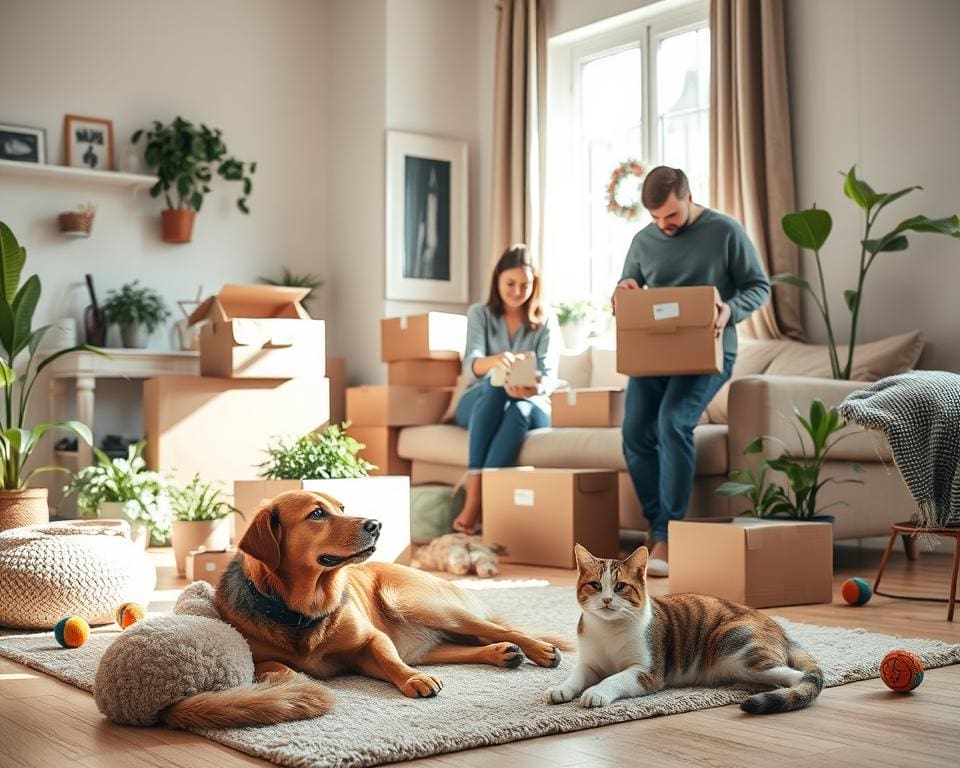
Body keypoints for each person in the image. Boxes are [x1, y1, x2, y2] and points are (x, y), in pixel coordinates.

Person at [613, 166, 771, 577]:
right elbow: (627, 288)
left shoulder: (725, 231)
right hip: (655, 355)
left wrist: (728, 309)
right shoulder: (643, 240)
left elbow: (759, 286)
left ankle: (666, 535)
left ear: (688, 197)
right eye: (656, 219)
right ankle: (656, 527)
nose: (664, 226)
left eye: (672, 216)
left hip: (709, 354)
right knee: (633, 432)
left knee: (672, 422)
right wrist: (623, 291)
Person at [451, 244, 560, 534]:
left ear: (535, 285)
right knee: (494, 385)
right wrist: (497, 363)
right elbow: (470, 365)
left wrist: (530, 385)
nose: (517, 291)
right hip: (479, 400)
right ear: (497, 280)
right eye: (510, 284)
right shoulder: (480, 314)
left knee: (519, 409)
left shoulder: (545, 321)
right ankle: (477, 494)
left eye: (525, 285)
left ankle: (474, 499)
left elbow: (549, 378)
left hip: (531, 404)